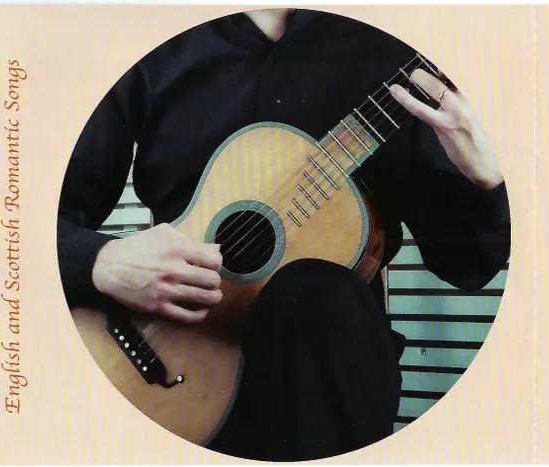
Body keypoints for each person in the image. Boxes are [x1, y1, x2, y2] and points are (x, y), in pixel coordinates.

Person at [57, 8, 511, 461]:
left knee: (317, 293)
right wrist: (101, 260)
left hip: (330, 388)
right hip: (164, 370)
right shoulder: (149, 46)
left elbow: (468, 266)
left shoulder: (399, 62)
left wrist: (486, 180)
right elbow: (40, 217)